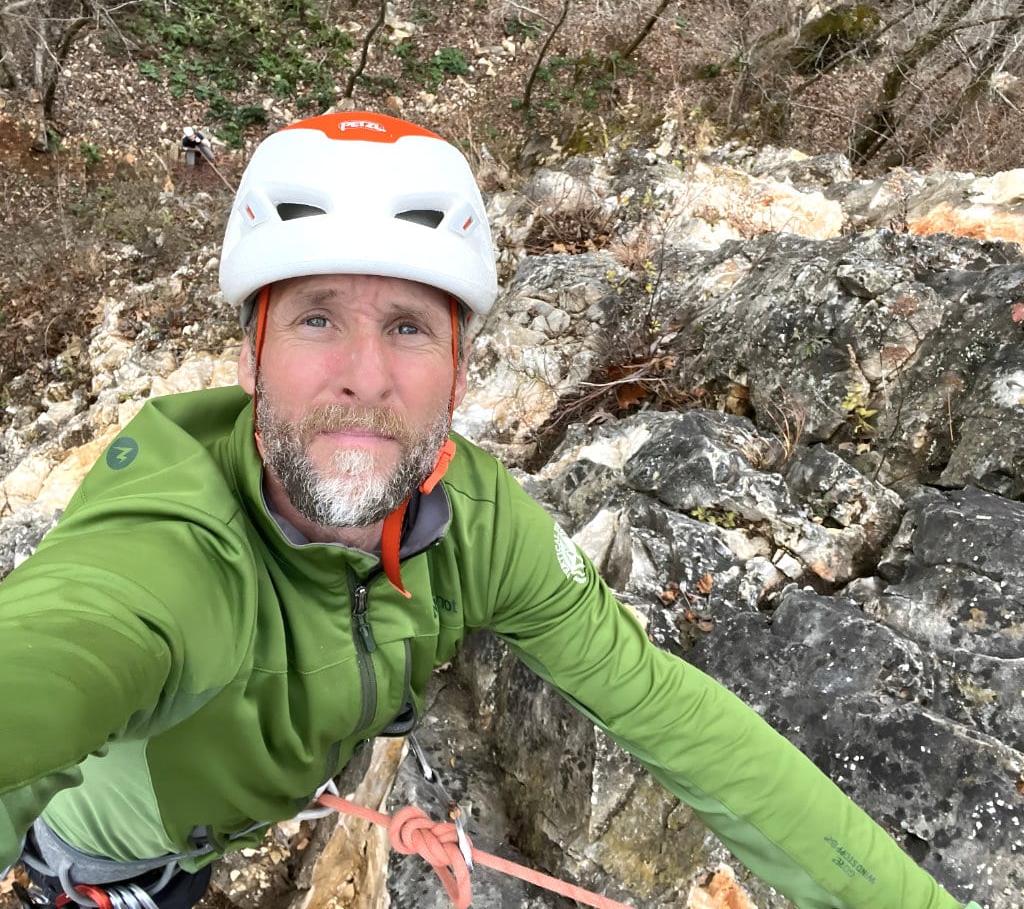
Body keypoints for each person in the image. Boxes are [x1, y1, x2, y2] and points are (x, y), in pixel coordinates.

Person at [0, 111, 979, 909]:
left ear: (461, 371)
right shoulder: (164, 548)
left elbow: (672, 714)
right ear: (250, 355)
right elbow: (53, 658)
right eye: (315, 317)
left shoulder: (473, 518)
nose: (365, 378)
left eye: (408, 326)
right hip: (110, 863)